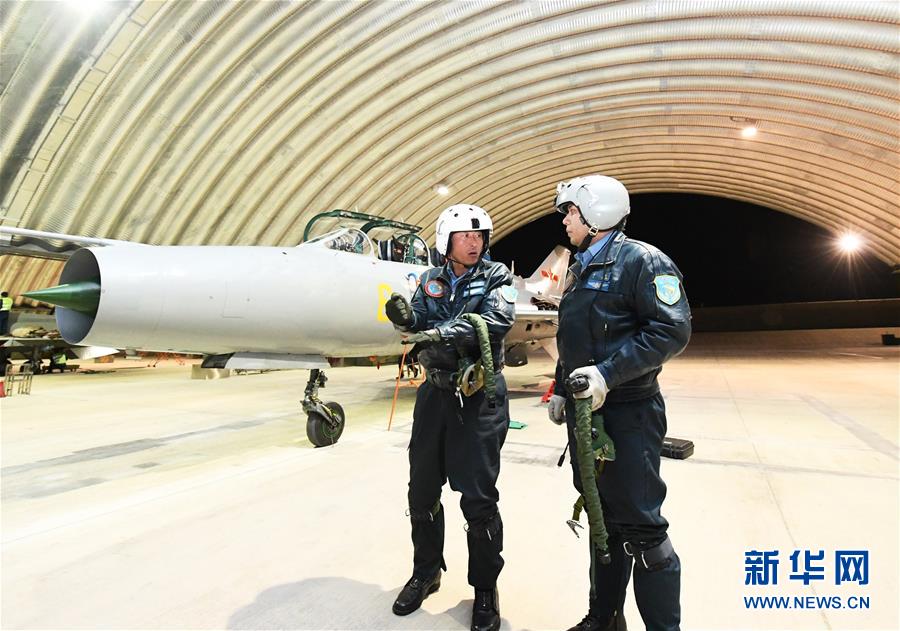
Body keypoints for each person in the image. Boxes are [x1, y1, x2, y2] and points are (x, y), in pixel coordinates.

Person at [547, 175, 691, 631]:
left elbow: (671, 330)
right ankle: (604, 618)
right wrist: (557, 389)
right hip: (585, 413)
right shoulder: (578, 269)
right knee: (601, 517)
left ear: (597, 212)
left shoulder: (642, 261)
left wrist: (608, 374)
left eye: (571, 210)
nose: (565, 219)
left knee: (644, 530)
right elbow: (573, 340)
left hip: (628, 415)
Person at [384, 204, 516, 631]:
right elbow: (419, 319)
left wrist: (442, 331)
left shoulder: (497, 277)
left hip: (479, 398)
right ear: (446, 241)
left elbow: (497, 319)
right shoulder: (429, 280)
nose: (475, 242)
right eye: (465, 235)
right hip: (435, 394)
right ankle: (426, 573)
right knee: (421, 490)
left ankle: (484, 590)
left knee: (478, 499)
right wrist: (406, 317)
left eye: (480, 235)